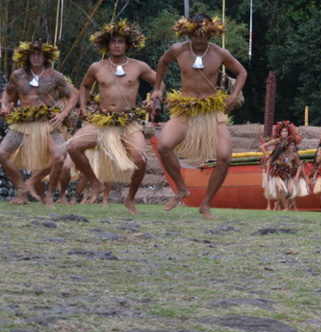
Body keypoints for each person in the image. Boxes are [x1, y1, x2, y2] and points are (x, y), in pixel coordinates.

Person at [151, 14, 247, 219]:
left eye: (202, 35)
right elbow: (163, 62)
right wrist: (157, 88)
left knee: (224, 157)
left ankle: (205, 204)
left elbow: (242, 72)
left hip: (211, 112)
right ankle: (182, 189)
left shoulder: (219, 53)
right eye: (194, 35)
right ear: (189, 33)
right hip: (186, 109)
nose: (198, 39)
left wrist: (234, 96)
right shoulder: (178, 50)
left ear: (210, 33)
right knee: (164, 146)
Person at [66, 20, 158, 214]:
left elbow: (159, 82)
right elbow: (84, 86)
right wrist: (82, 106)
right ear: (107, 45)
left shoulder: (138, 66)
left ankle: (130, 199)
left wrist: (155, 99)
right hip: (102, 120)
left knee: (141, 159)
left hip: (128, 122)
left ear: (127, 45)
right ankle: (95, 183)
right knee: (73, 146)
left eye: (121, 42)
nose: (116, 45)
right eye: (113, 42)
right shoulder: (97, 67)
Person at [0, 41, 78, 207]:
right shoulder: (18, 75)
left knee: (59, 157)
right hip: (24, 122)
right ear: (27, 56)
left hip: (47, 122)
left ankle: (50, 195)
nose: (36, 57)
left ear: (45, 56)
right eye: (33, 54)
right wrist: (4, 105)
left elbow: (73, 96)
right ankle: (21, 189)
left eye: (40, 54)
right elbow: (7, 92)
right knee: (2, 153)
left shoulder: (55, 76)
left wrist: (63, 114)